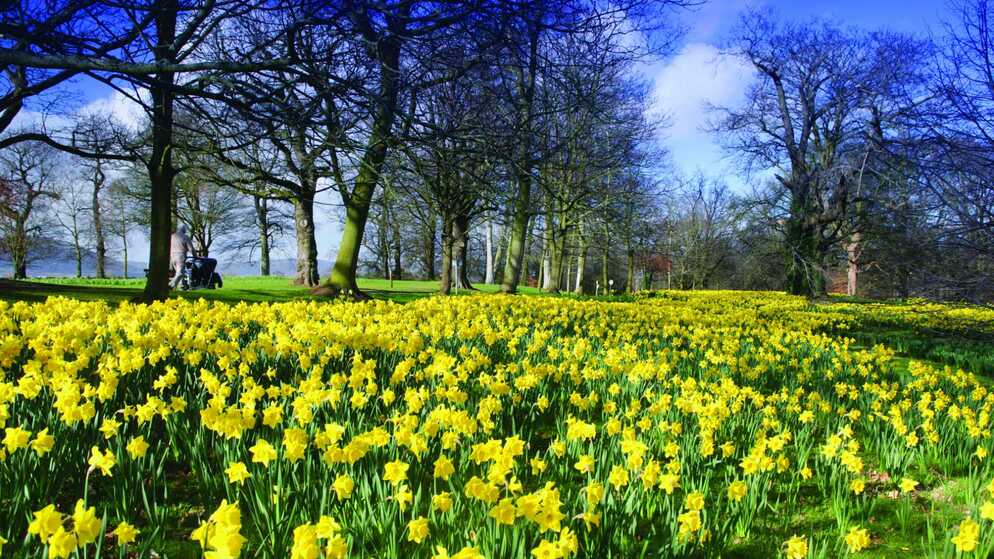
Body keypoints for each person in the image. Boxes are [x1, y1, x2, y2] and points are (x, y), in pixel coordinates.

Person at [169, 225, 196, 289]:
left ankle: (181, 287)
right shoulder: (185, 237)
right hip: (180, 256)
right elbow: (191, 249)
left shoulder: (171, 236)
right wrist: (195, 256)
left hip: (171, 256)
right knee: (180, 273)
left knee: (177, 273)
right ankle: (171, 285)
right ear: (184, 230)